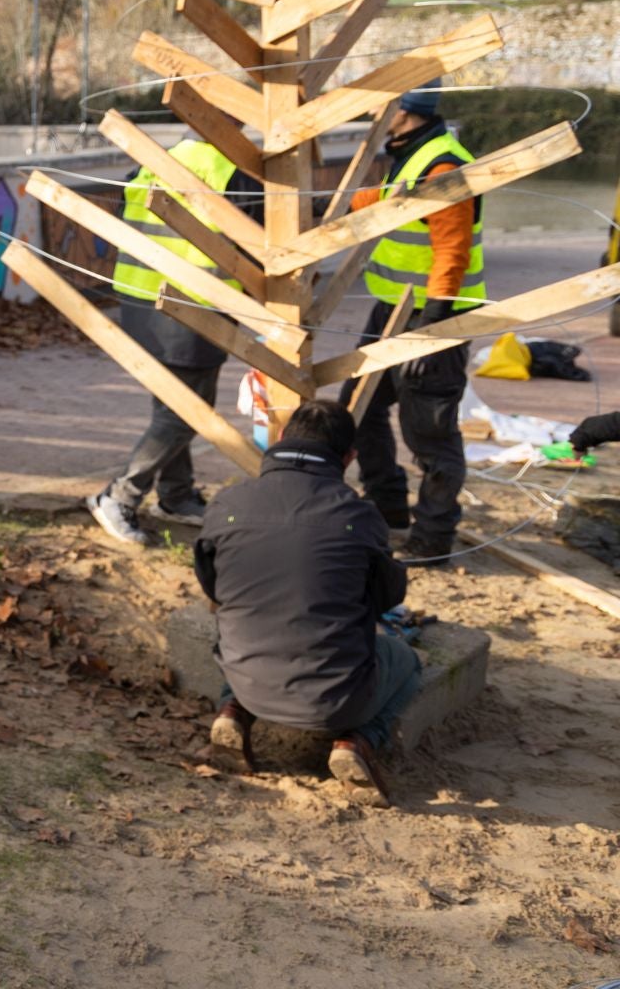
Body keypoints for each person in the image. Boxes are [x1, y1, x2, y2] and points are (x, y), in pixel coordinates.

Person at [196, 399, 416, 807]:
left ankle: (230, 712)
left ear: (280, 438)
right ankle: (358, 741)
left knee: (240, 626)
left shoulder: (228, 503)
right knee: (406, 660)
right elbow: (387, 598)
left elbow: (214, 589)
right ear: (349, 457)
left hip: (245, 679)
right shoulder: (360, 514)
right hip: (338, 701)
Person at [88, 135, 261, 546]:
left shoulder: (156, 159)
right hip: (192, 308)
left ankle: (176, 495)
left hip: (143, 303)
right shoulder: (229, 172)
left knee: (173, 403)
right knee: (185, 412)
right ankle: (119, 496)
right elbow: (259, 247)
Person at [343, 85, 484, 563]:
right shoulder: (411, 154)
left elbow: (451, 250)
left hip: (433, 315)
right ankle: (386, 507)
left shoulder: (443, 164)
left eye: (382, 106)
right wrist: (332, 207)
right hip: (390, 310)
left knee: (430, 432)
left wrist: (434, 328)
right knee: (357, 409)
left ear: (404, 113)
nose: (372, 114)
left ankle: (432, 538)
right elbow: (388, 201)